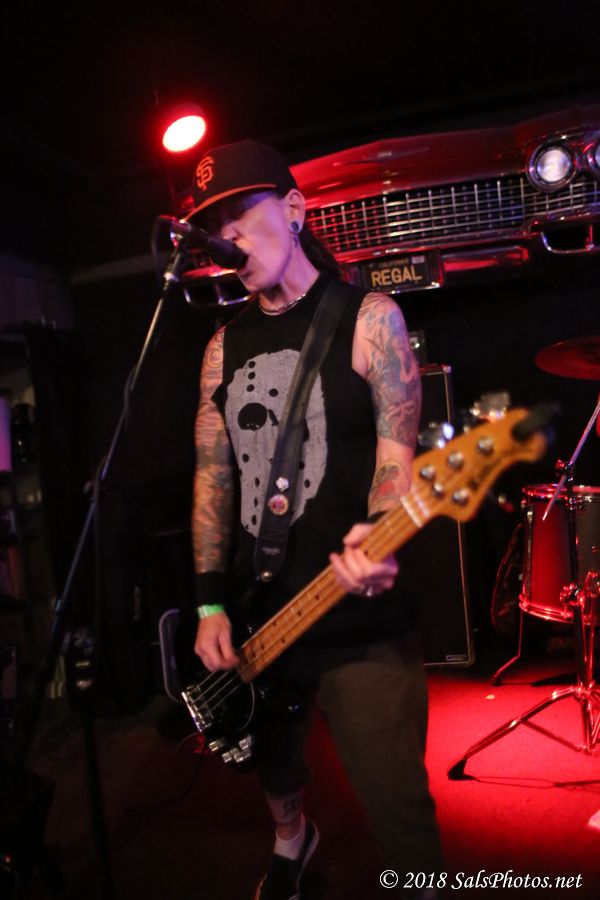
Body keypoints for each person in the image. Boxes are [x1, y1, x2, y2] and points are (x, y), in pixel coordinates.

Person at [188, 139, 443, 900]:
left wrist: (380, 533)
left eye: (241, 215)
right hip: (260, 613)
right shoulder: (221, 347)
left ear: (294, 210)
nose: (227, 239)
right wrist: (208, 602)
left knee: (400, 811)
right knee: (274, 764)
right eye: (214, 228)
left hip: (355, 618)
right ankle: (293, 843)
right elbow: (213, 477)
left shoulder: (369, 319)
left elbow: (396, 456)